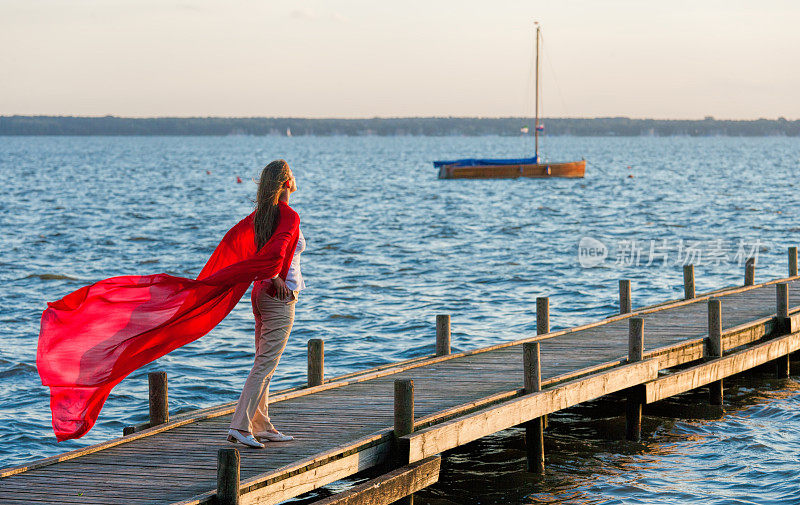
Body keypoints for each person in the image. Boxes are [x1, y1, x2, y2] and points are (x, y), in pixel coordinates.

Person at [227, 159, 305, 449]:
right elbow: (276, 251)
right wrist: (275, 277)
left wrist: (269, 277)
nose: (296, 180)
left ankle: (261, 426)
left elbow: (253, 248)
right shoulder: (288, 215)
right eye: (293, 176)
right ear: (287, 183)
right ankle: (240, 426)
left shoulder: (263, 214)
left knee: (264, 362)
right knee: (264, 364)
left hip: (260, 294)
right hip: (277, 298)